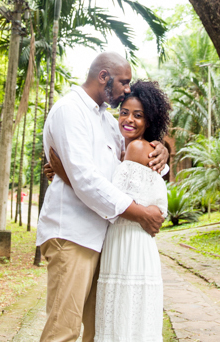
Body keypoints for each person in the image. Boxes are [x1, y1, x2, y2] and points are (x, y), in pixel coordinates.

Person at [37, 52, 169, 342]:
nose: (127, 90)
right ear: (104, 77)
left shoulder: (107, 122)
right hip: (72, 235)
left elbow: (127, 167)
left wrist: (162, 153)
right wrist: (139, 213)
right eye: (124, 82)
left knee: (98, 332)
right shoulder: (69, 111)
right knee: (63, 331)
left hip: (102, 240)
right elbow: (86, 179)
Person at [93, 80, 171, 342]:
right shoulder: (133, 147)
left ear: (149, 121)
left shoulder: (138, 148)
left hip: (128, 242)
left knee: (122, 316)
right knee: (131, 317)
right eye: (124, 112)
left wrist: (65, 173)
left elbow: (106, 193)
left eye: (138, 115)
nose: (129, 119)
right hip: (130, 240)